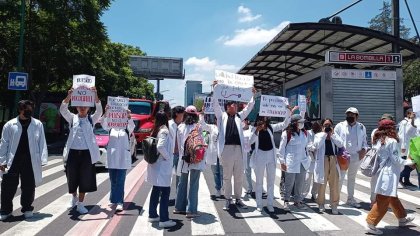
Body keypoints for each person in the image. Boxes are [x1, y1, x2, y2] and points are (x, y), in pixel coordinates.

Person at [0, 100, 48, 221]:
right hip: (13, 159)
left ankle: (27, 208)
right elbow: (3, 143)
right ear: (20, 109)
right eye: (27, 109)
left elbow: (42, 142)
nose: (29, 111)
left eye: (31, 109)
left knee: (29, 186)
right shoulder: (10, 125)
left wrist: (43, 159)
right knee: (8, 186)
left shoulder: (37, 124)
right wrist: (2, 161)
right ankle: (6, 210)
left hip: (30, 160)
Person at [366, 119, 415, 235]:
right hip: (388, 175)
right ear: (390, 129)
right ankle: (371, 223)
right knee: (383, 200)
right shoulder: (391, 141)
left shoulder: (379, 140)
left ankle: (402, 219)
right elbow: (396, 160)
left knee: (393, 198)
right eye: (393, 127)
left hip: (384, 173)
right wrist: (409, 161)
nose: (395, 129)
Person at [212, 81, 256, 210]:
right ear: (227, 107)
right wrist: (215, 89)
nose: (235, 106)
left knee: (238, 176)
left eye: (236, 105)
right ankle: (227, 199)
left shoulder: (239, 116)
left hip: (239, 150)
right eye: (233, 104)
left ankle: (238, 199)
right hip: (227, 150)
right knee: (227, 176)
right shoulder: (221, 116)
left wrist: (253, 94)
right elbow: (215, 104)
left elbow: (249, 107)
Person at [60, 87, 102, 214]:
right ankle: (74, 197)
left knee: (84, 178)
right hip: (72, 153)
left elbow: (99, 110)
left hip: (86, 154)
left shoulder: (91, 119)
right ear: (76, 107)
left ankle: (81, 204)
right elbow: (63, 109)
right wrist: (69, 95)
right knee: (71, 178)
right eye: (80, 106)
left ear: (89, 108)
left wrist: (95, 94)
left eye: (85, 106)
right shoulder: (72, 118)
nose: (82, 108)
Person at [249, 108, 295, 213]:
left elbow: (284, 124)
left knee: (271, 181)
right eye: (264, 116)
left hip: (270, 155)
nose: (266, 117)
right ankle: (259, 204)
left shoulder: (271, 127)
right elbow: (251, 141)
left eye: (266, 116)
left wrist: (289, 113)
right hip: (260, 154)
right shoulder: (254, 128)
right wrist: (257, 130)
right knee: (259, 181)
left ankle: (270, 204)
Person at [146, 111, 176, 228]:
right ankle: (164, 219)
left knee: (156, 190)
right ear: (166, 118)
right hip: (162, 167)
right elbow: (160, 146)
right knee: (165, 193)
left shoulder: (157, 129)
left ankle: (152, 215)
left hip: (157, 166)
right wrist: (168, 157)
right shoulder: (164, 130)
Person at [101, 106, 135, 211]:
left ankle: (120, 201)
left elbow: (132, 126)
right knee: (113, 179)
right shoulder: (110, 127)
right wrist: (107, 112)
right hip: (112, 157)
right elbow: (103, 124)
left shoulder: (126, 128)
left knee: (120, 179)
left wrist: (129, 116)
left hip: (122, 158)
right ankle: (113, 199)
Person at [174, 105, 205, 218]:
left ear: (186, 114)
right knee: (193, 184)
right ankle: (191, 210)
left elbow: (178, 144)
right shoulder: (198, 127)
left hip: (184, 160)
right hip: (195, 160)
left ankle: (179, 207)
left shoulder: (180, 127)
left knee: (181, 184)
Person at [335, 107, 368, 208]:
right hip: (343, 156)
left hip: (356, 156)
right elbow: (335, 139)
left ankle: (350, 199)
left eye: (352, 115)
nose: (349, 116)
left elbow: (364, 141)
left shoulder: (361, 127)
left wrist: (364, 149)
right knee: (340, 178)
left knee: (352, 178)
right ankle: (336, 199)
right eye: (348, 114)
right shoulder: (340, 126)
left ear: (356, 116)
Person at [278, 114, 311, 211]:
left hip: (302, 162)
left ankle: (297, 201)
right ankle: (286, 201)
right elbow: (281, 149)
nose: (302, 124)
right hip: (291, 162)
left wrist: (308, 156)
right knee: (289, 183)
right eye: (300, 123)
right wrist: (282, 162)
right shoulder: (286, 134)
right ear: (294, 123)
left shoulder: (304, 133)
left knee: (300, 183)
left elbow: (306, 146)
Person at [311, 118, 343, 214]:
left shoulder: (334, 135)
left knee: (334, 183)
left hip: (333, 159)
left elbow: (340, 144)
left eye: (329, 125)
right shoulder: (318, 135)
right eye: (325, 125)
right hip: (323, 160)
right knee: (322, 183)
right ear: (322, 126)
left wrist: (332, 135)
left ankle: (334, 204)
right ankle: (321, 203)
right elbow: (316, 146)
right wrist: (325, 134)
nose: (327, 127)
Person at [199, 113, 222, 198]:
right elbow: (203, 125)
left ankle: (224, 188)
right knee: (216, 172)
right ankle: (218, 189)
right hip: (213, 153)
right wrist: (201, 115)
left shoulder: (226, 128)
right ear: (216, 120)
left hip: (223, 153)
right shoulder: (212, 127)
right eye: (218, 119)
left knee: (223, 172)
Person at [303, 121, 322, 201]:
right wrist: (313, 147)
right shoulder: (307, 133)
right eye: (315, 127)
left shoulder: (321, 134)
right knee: (307, 178)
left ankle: (314, 194)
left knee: (317, 179)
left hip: (318, 160)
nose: (316, 129)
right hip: (309, 159)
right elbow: (306, 144)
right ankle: (303, 195)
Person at [398, 108, 417, 188]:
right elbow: (402, 135)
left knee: (408, 164)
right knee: (412, 164)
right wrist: (402, 146)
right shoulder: (404, 122)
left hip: (412, 146)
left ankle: (406, 181)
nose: (414, 115)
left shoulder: (412, 122)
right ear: (408, 114)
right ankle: (400, 177)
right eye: (413, 113)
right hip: (406, 147)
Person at [168, 106, 185, 191]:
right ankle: (162, 196)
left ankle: (179, 197)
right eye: (182, 113)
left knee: (180, 177)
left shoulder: (184, 125)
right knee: (167, 175)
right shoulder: (168, 124)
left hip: (180, 155)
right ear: (177, 114)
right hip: (170, 154)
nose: (184, 115)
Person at [243, 118, 254, 196]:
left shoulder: (252, 129)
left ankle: (260, 189)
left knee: (257, 171)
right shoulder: (239, 130)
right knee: (247, 171)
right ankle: (250, 188)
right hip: (243, 153)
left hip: (252, 152)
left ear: (247, 121)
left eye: (244, 120)